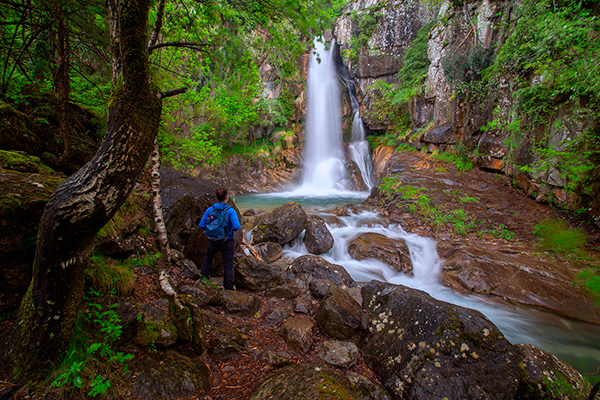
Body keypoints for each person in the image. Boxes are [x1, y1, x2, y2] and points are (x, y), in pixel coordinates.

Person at [198, 188, 241, 290]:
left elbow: (201, 225)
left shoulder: (210, 209)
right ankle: (228, 288)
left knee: (208, 258)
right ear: (227, 197)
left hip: (212, 240)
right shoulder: (230, 211)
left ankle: (203, 278)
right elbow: (236, 226)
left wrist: (212, 229)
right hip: (227, 241)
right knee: (228, 264)